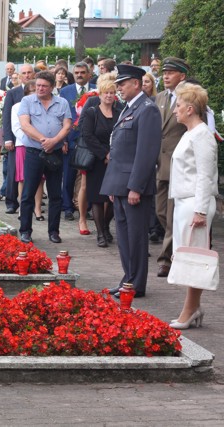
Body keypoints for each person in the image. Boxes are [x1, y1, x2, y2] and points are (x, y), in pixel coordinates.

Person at [101, 64, 162, 299]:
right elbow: (120, 149)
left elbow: (146, 153)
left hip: (133, 187)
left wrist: (136, 186)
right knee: (124, 238)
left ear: (136, 83)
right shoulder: (130, 107)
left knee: (136, 238)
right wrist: (115, 186)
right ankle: (128, 279)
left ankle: (136, 283)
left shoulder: (147, 109)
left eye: (122, 84)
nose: (118, 89)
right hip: (120, 184)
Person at [167, 83, 219, 329]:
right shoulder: (190, 134)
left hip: (195, 204)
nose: (174, 110)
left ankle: (190, 310)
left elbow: (205, 176)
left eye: (177, 106)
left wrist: (199, 210)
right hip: (184, 202)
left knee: (194, 260)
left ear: (189, 109)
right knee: (186, 258)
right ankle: (192, 308)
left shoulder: (202, 135)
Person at [17, 70, 71, 244]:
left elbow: (67, 126)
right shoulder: (27, 101)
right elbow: (25, 125)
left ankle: (54, 231)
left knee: (56, 194)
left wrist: (54, 141)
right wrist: (43, 140)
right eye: (38, 85)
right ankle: (25, 230)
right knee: (28, 193)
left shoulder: (62, 103)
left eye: (44, 86)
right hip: (34, 152)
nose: (40, 88)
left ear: (52, 87)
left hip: (54, 153)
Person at [155, 57, 190, 279]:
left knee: (171, 212)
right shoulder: (158, 97)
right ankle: (180, 246)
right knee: (161, 212)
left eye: (171, 72)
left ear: (182, 76)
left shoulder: (190, 99)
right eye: (164, 72)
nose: (166, 75)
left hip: (179, 164)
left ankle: (166, 260)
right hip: (159, 164)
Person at [80, 74, 122, 247]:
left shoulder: (120, 112)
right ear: (100, 94)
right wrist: (105, 154)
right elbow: (87, 135)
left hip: (117, 160)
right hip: (97, 160)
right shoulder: (92, 112)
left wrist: (114, 155)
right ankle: (100, 233)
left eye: (112, 92)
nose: (109, 96)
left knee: (114, 198)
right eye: (106, 92)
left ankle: (105, 226)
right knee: (97, 198)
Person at [59, 62, 95, 230]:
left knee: (86, 178)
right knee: (68, 175)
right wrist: (63, 140)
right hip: (70, 138)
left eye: (83, 72)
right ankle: (67, 207)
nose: (80, 75)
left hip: (90, 140)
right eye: (77, 72)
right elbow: (61, 115)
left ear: (89, 74)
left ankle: (84, 207)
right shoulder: (65, 91)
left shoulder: (95, 90)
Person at [2, 63, 36, 214]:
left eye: (29, 72)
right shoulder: (13, 93)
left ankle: (33, 203)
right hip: (17, 140)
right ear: (19, 75)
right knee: (13, 171)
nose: (27, 75)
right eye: (24, 73)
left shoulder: (39, 92)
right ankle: (11, 201)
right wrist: (8, 139)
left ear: (33, 74)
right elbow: (7, 118)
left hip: (35, 140)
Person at [10, 80, 44, 221]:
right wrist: (29, 139)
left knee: (40, 179)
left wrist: (40, 139)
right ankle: (23, 209)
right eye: (31, 93)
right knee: (23, 178)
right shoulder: (17, 107)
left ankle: (37, 208)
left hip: (40, 144)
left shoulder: (43, 105)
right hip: (23, 144)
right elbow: (16, 127)